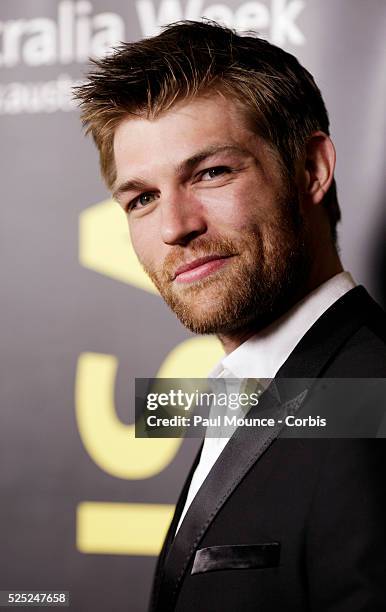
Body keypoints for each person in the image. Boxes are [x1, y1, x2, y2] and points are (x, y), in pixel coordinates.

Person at [75, 21, 386, 611]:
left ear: (313, 169)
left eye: (211, 172)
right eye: (142, 198)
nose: (175, 227)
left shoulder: (372, 402)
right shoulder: (261, 389)